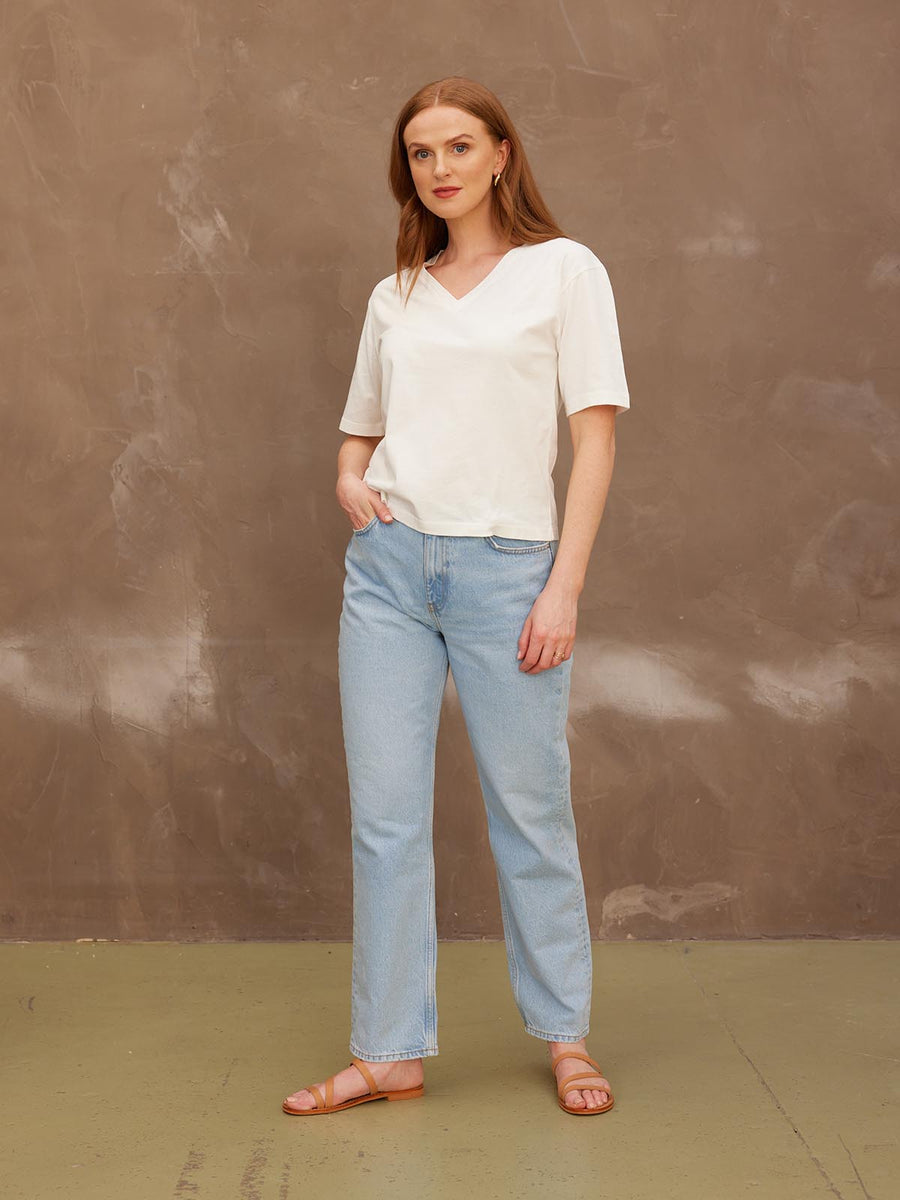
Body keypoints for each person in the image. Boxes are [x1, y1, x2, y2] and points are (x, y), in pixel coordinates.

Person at [283, 75, 630, 1117]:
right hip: (389, 574)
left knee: (531, 814)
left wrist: (562, 588)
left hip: (506, 570)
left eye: (459, 147)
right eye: (421, 153)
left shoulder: (563, 273)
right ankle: (389, 1049)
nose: (440, 168)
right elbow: (363, 428)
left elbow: (596, 435)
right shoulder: (398, 292)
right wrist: (351, 478)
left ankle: (566, 1037)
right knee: (385, 821)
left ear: (501, 156)